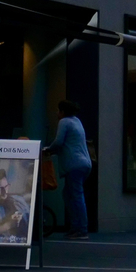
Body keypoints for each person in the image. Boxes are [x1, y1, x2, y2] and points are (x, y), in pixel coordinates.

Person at [42, 99, 93, 239]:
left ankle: (81, 230)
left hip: (74, 165)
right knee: (68, 194)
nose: (56, 113)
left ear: (63, 111)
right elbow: (68, 144)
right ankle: (75, 227)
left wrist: (48, 150)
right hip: (85, 163)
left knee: (76, 196)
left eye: (58, 110)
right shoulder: (77, 121)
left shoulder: (64, 122)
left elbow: (59, 142)